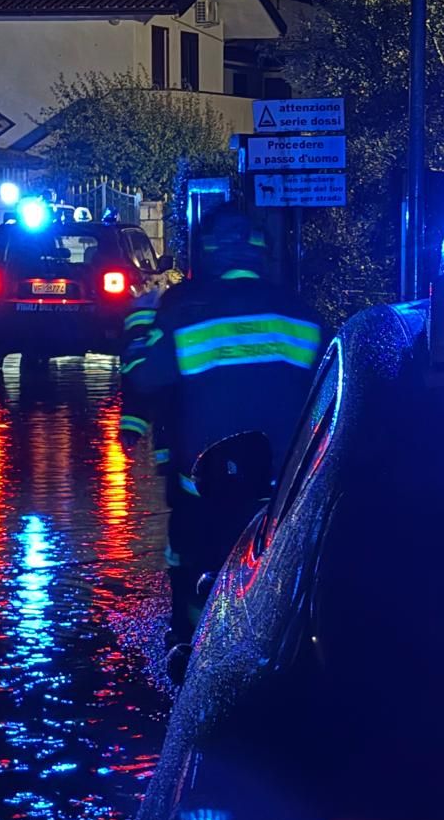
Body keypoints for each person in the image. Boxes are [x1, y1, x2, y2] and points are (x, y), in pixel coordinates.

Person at [118, 203, 324, 648]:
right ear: (261, 251)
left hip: (206, 488)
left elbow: (143, 375)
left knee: (197, 575)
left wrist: (138, 320)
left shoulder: (186, 311)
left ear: (208, 252)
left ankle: (194, 664)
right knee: (283, 584)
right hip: (282, 490)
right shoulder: (303, 315)